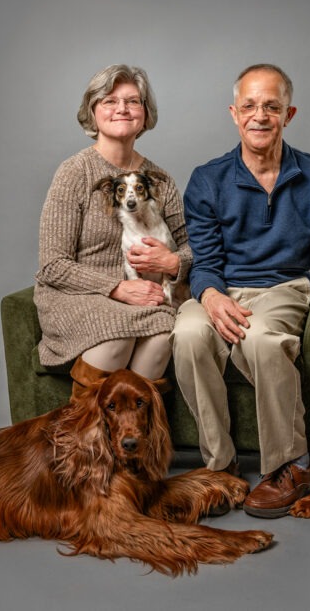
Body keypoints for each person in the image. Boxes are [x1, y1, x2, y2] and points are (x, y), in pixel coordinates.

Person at [172, 63, 310, 518]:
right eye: (249, 106)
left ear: (290, 113)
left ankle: (294, 464)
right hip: (221, 289)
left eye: (272, 106)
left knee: (262, 339)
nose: (260, 115)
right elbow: (204, 264)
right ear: (233, 113)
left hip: (283, 289)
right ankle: (220, 466)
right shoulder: (207, 179)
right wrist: (209, 295)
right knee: (186, 334)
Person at [35, 64, 191, 394]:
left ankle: (133, 441)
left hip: (144, 294)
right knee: (116, 332)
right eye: (109, 100)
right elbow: (52, 265)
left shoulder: (160, 181)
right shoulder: (74, 173)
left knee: (164, 334)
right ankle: (83, 439)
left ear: (145, 115)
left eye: (132, 101)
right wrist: (117, 288)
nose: (121, 108)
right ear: (93, 112)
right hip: (76, 295)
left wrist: (173, 263)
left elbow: (192, 246)